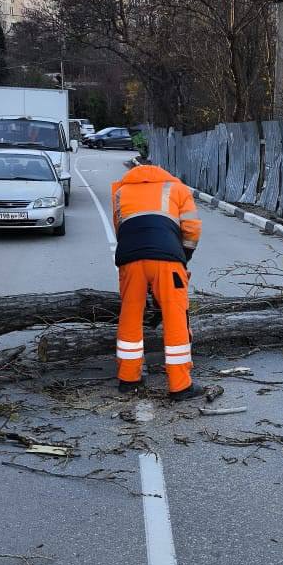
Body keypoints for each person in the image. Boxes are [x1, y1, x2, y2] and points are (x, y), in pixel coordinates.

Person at [111, 159, 203, 400]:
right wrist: (184, 256)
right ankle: (180, 385)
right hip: (167, 259)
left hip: (130, 259)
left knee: (130, 314)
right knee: (174, 315)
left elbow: (120, 228)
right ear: (162, 172)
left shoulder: (120, 191)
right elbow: (192, 228)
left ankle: (128, 379)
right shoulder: (177, 188)